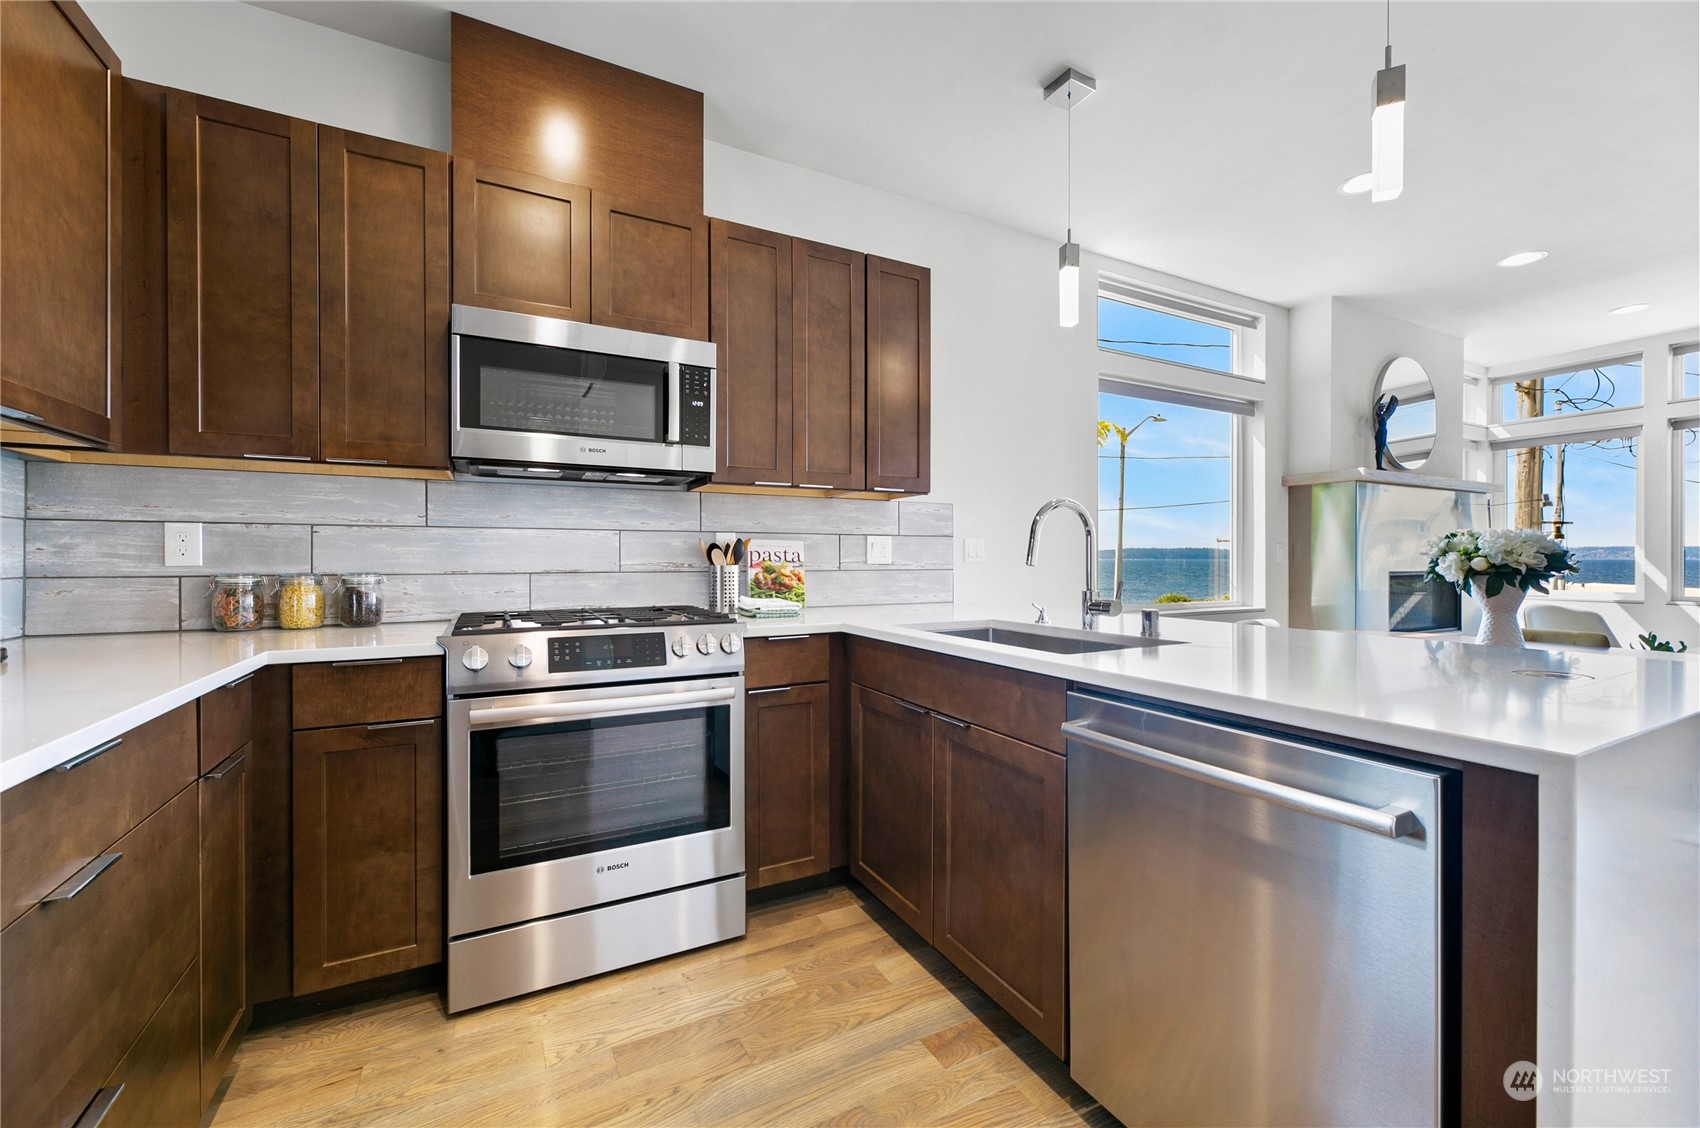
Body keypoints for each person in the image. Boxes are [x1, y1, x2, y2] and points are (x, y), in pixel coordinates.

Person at [1373, 394, 1400, 470]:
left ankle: (1379, 465)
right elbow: (1379, 412)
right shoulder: (1380, 417)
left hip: (1384, 432)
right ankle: (1379, 466)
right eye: (1381, 408)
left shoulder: (1383, 416)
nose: (1383, 409)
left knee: (1381, 449)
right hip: (1381, 432)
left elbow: (1389, 411)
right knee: (1379, 450)